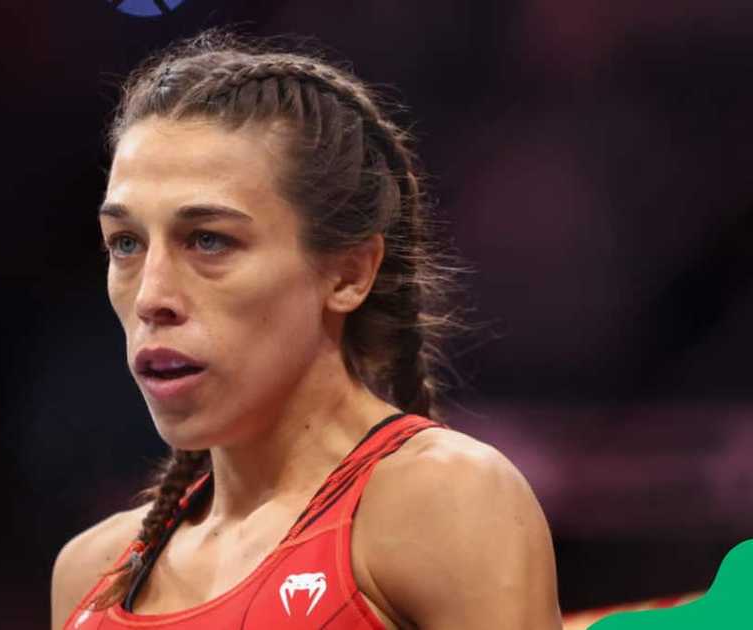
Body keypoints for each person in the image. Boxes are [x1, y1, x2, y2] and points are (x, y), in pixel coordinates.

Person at [51, 29, 561, 629]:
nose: (152, 296)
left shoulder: (439, 504)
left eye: (209, 240)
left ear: (347, 273)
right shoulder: (92, 574)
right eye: (127, 243)